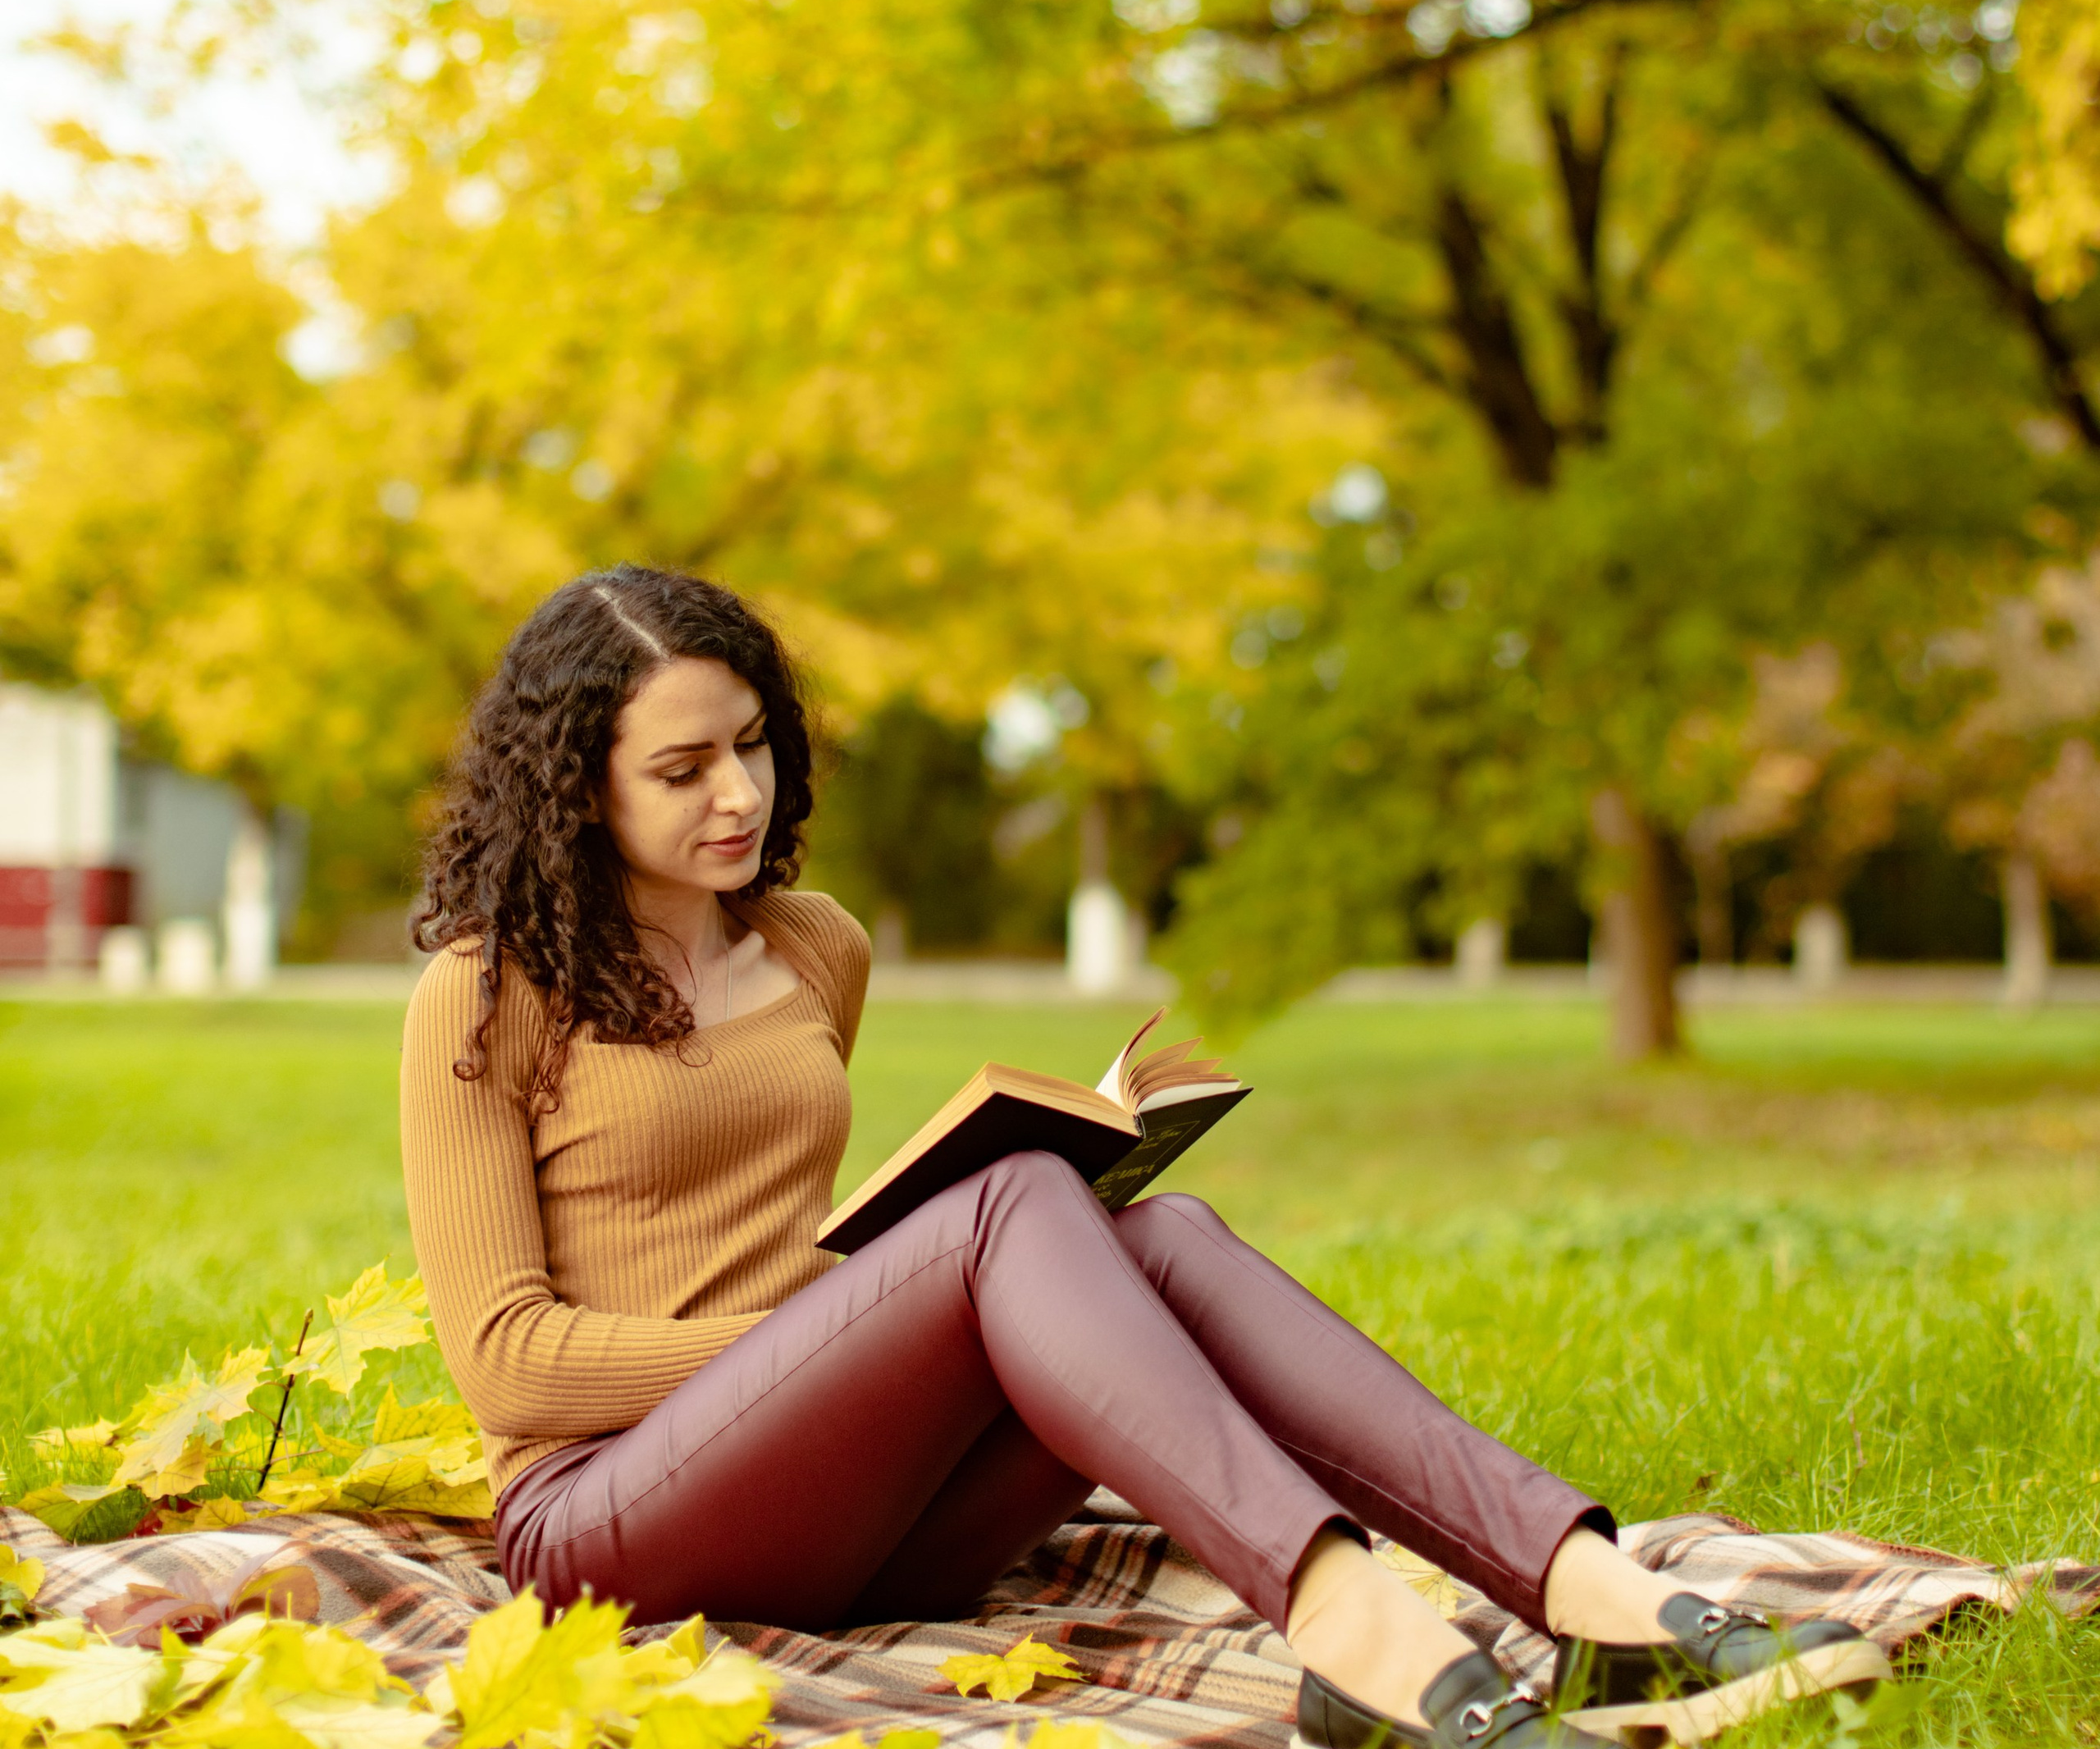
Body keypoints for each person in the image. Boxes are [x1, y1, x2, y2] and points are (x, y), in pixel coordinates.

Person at [401, 566, 1885, 1749]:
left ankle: (1586, 1589)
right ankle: (1361, 1639)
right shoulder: (484, 993)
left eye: (753, 745)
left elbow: (775, 1238)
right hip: (603, 1529)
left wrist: (880, 1313)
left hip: (860, 1527)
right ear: (576, 789)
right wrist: (820, 1339)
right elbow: (509, 1368)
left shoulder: (813, 948)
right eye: (682, 769)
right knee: (1009, 1218)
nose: (740, 794)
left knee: (1156, 1239)